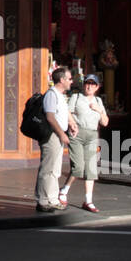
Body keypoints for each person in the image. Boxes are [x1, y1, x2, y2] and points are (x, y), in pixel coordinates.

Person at [59, 73, 108, 212]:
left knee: (91, 169)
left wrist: (98, 109)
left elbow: (105, 122)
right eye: (87, 83)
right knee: (78, 167)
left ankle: (88, 201)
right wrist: (72, 123)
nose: (89, 86)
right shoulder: (76, 97)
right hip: (77, 133)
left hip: (92, 134)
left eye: (93, 84)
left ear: (97, 87)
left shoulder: (98, 101)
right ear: (83, 84)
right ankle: (63, 191)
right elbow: (67, 112)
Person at [35, 67, 78, 213]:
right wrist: (61, 133)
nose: (71, 81)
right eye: (69, 79)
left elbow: (64, 112)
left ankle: (52, 199)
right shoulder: (51, 95)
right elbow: (50, 117)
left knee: (55, 168)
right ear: (62, 80)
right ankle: (43, 200)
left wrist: (71, 123)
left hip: (57, 134)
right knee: (48, 168)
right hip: (51, 135)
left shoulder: (60, 95)